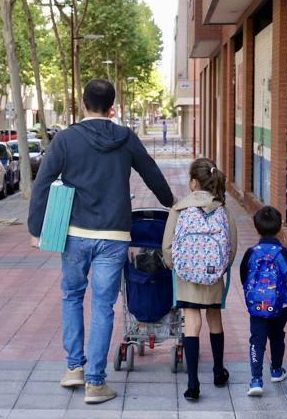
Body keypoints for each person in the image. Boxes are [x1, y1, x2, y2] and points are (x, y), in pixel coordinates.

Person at [28, 79, 174, 404]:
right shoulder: (125, 138)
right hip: (114, 234)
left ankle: (73, 369)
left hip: (75, 233)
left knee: (71, 296)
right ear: (112, 106)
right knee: (103, 305)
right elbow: (151, 172)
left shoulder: (65, 139)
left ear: (82, 103)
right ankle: (96, 383)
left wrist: (36, 229)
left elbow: (43, 183)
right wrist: (171, 203)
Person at [162, 158, 237, 401]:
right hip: (213, 274)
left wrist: (177, 266)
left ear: (193, 182)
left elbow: (167, 246)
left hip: (186, 277)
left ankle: (193, 384)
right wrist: (221, 268)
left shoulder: (179, 208)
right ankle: (218, 372)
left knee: (192, 322)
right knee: (214, 318)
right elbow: (232, 246)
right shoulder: (222, 209)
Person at [240, 206, 287, 396]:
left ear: (256, 227)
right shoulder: (284, 254)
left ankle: (256, 380)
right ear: (279, 227)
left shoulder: (251, 253)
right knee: (277, 336)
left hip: (257, 306)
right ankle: (276, 370)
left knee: (256, 340)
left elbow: (244, 275)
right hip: (279, 305)